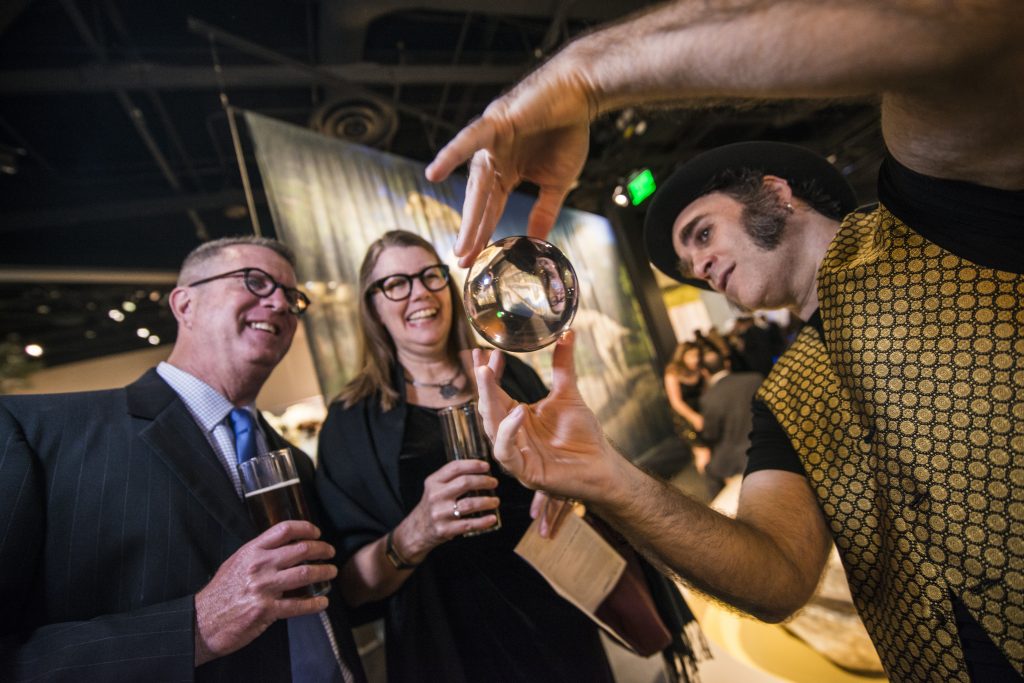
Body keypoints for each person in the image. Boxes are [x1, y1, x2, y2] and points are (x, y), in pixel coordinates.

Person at [425, 4, 1022, 681]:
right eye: (687, 264)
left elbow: (969, 29)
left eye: (702, 234)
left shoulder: (935, 221)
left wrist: (585, 76)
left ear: (776, 192)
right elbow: (775, 574)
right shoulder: (789, 396)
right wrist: (611, 479)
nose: (699, 268)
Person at [0, 236, 366, 682]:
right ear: (184, 304)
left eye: (293, 296)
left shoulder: (293, 462)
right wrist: (194, 628)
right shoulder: (37, 436)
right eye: (255, 281)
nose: (280, 303)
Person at [313, 230, 615, 683]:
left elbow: (574, 469)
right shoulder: (351, 421)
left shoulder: (508, 371)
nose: (419, 292)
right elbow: (350, 587)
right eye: (395, 284)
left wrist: (564, 492)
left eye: (430, 276)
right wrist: (417, 531)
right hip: (445, 642)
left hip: (551, 617)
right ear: (373, 306)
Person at [691, 346, 762, 498]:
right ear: (727, 364)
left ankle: (720, 516)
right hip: (764, 444)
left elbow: (711, 434)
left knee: (708, 470)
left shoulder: (708, 398)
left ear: (704, 372)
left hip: (735, 457)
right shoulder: (755, 379)